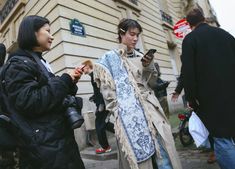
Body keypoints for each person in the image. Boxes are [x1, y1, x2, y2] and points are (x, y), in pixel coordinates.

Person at [93, 18, 182, 169]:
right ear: (121, 33)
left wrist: (148, 66)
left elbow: (153, 84)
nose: (135, 38)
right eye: (132, 34)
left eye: (137, 35)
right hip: (128, 117)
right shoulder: (109, 59)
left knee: (163, 155)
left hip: (151, 112)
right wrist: (119, 111)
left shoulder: (142, 57)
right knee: (140, 162)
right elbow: (108, 92)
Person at [0, 16, 85, 169]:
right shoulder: (18, 64)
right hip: (44, 150)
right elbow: (30, 101)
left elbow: (52, 95)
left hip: (57, 142)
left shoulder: (37, 61)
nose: (52, 36)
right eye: (47, 31)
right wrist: (64, 80)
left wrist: (71, 83)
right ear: (32, 33)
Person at [181, 8, 235, 169]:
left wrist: (191, 98)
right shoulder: (226, 35)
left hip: (211, 99)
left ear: (189, 25)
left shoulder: (190, 39)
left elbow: (188, 73)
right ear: (204, 19)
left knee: (222, 139)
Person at [89, 72, 115, 154]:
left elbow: (101, 90)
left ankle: (105, 147)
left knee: (99, 125)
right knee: (105, 124)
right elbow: (98, 91)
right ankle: (122, 134)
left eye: (84, 67)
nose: (82, 70)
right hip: (103, 104)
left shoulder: (94, 75)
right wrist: (94, 97)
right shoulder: (94, 75)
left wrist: (101, 105)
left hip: (103, 105)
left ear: (87, 66)